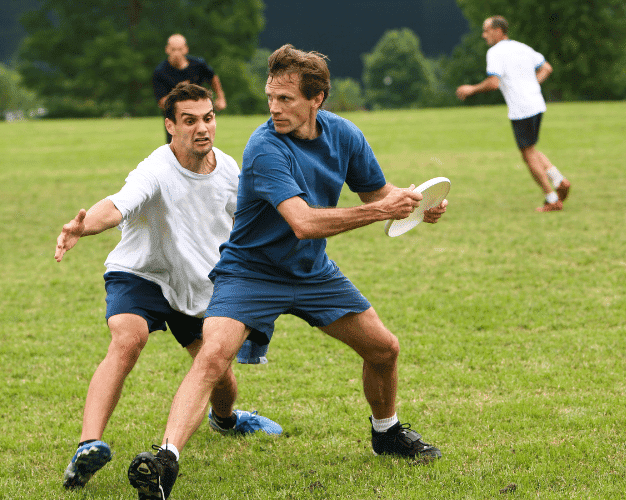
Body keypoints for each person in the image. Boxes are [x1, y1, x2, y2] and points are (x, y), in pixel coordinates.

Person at [127, 44, 447, 500]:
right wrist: (382, 212)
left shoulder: (344, 135)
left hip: (312, 272)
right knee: (213, 357)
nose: (274, 108)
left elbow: (377, 191)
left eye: (286, 99)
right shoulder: (264, 146)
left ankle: (387, 432)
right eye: (270, 97)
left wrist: (414, 202)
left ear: (316, 99)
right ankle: (165, 461)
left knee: (384, 349)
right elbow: (305, 222)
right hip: (250, 273)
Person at [57, 83, 280, 492]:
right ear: (170, 125)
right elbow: (118, 204)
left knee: (221, 377)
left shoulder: (230, 171)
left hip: (195, 284)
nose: (202, 128)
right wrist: (83, 227)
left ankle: (227, 420)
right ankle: (88, 445)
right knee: (128, 339)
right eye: (190, 120)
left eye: (208, 118)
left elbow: (258, 218)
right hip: (142, 272)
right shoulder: (157, 167)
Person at [456, 15, 571, 212]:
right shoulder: (521, 47)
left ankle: (552, 198)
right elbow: (546, 68)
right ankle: (559, 180)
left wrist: (471, 89)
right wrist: (531, 85)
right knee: (531, 149)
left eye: (486, 30)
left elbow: (493, 83)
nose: (484, 35)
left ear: (498, 31)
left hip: (521, 108)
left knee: (527, 155)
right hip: (536, 103)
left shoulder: (495, 52)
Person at [153, 34, 227, 143]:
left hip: (200, 114)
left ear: (186, 49)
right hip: (176, 119)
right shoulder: (160, 72)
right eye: (173, 49)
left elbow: (213, 78)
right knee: (176, 149)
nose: (177, 53)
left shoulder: (198, 65)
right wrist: (181, 94)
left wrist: (220, 98)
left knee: (202, 144)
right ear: (167, 50)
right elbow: (162, 102)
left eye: (180, 49)